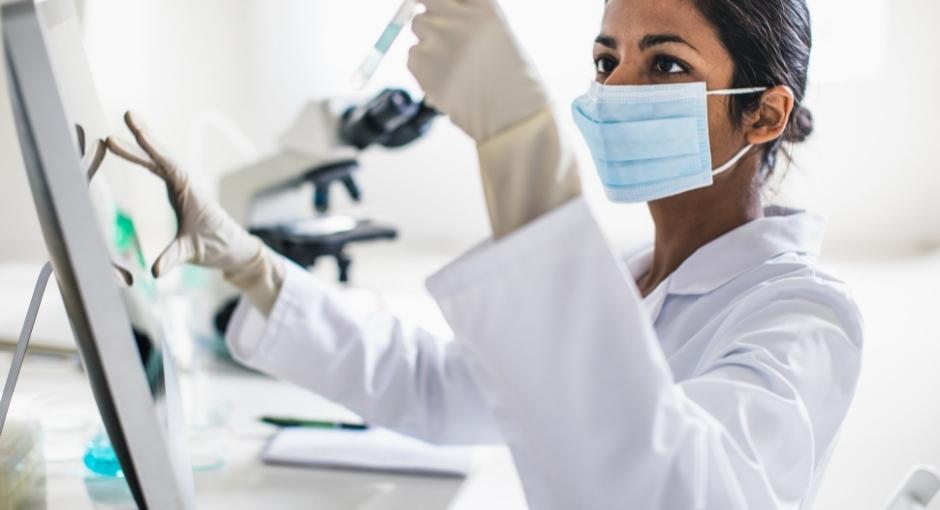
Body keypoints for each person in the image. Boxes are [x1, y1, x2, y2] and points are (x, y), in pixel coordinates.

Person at [107, 0, 863, 507]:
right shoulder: (635, 272)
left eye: (664, 65)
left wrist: (517, 137)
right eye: (607, 62)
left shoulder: (803, 314)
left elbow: (666, 487)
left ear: (764, 113)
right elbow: (436, 386)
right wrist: (253, 268)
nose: (618, 89)